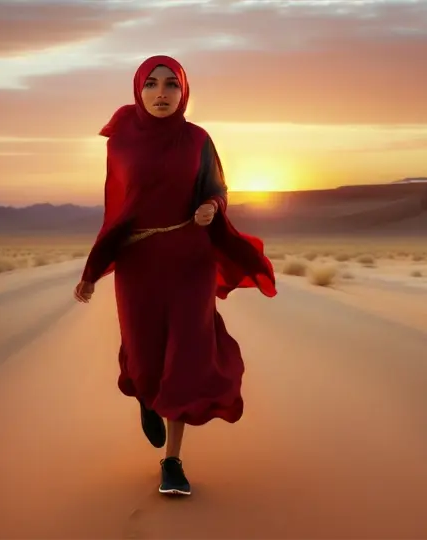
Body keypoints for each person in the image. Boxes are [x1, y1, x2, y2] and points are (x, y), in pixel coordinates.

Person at [73, 55, 277, 497]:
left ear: (184, 92)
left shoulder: (198, 140)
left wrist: (212, 208)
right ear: (138, 90)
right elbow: (117, 210)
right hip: (138, 265)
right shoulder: (121, 144)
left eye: (171, 85)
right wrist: (93, 270)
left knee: (184, 360)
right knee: (146, 359)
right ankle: (147, 395)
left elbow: (218, 189)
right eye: (151, 84)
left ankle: (172, 461)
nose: (161, 93)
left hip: (190, 261)